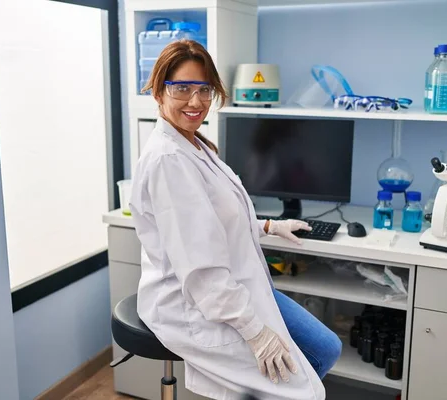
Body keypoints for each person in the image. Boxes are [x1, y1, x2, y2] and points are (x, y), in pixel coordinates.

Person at [129, 39, 342, 400]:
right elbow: (201, 270)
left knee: (324, 348)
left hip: (234, 282)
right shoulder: (169, 161)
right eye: (181, 88)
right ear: (158, 91)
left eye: (204, 90)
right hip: (195, 300)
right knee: (304, 394)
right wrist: (256, 333)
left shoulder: (194, 143)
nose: (195, 102)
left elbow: (212, 222)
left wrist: (265, 226)